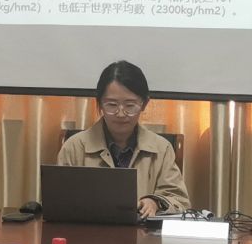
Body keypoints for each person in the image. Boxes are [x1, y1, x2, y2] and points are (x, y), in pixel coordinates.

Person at [55, 60, 190, 218]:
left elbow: (180, 201)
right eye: (112, 105)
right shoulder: (74, 147)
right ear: (99, 104)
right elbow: (57, 201)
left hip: (143, 232)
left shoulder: (161, 149)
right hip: (87, 231)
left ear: (144, 104)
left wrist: (155, 202)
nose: (120, 114)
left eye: (130, 105)